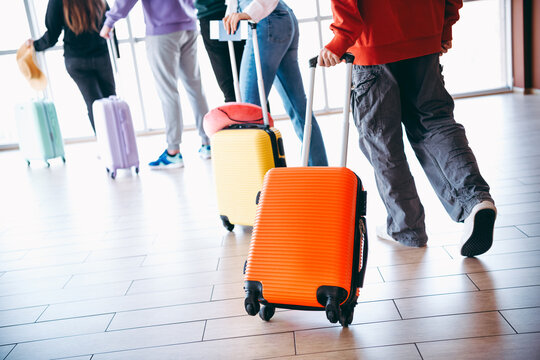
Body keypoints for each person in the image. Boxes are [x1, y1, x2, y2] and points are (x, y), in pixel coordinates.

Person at [319, 0, 497, 257]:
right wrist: (444, 26)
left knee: (382, 141)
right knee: (436, 124)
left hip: (373, 45)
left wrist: (340, 39)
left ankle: (407, 228)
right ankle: (475, 202)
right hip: (424, 36)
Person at [101, 0, 211, 169]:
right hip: (189, 25)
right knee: (195, 86)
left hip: (163, 30)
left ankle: (173, 152)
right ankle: (207, 142)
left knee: (168, 92)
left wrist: (110, 22)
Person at [223, 0, 328, 166]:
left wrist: (249, 13)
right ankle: (320, 171)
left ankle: (258, 180)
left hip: (266, 21)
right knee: (299, 107)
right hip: (278, 18)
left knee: (249, 112)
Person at [28, 0, 115, 134]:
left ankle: (107, 146)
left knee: (95, 105)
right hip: (101, 55)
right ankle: (120, 144)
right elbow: (109, 21)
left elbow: (52, 36)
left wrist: (35, 45)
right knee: (111, 101)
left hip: (76, 61)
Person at [195, 0, 244, 103]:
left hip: (213, 13)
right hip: (239, 13)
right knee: (249, 84)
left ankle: (242, 116)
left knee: (231, 88)